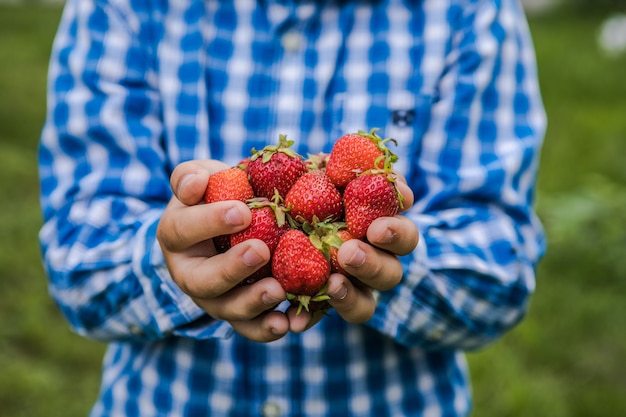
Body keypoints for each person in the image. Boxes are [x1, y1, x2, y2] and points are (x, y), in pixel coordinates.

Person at [38, 0, 546, 416]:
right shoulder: (122, 8)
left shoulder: (471, 12)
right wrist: (172, 262)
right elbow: (75, 262)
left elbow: (500, 275)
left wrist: (391, 264)